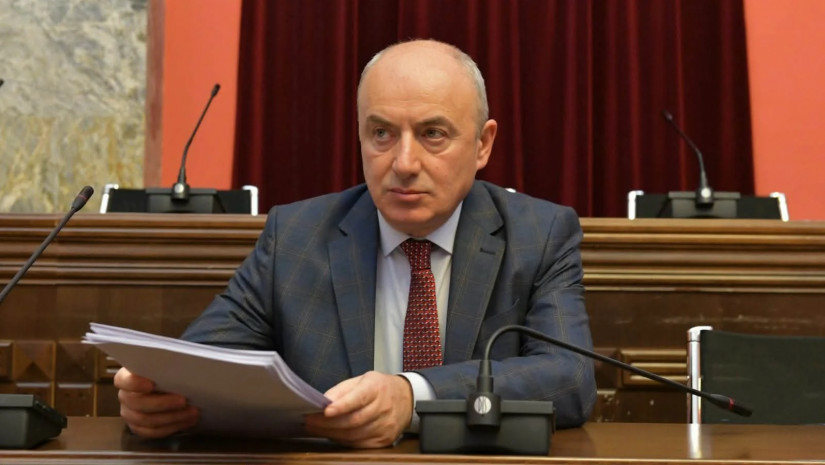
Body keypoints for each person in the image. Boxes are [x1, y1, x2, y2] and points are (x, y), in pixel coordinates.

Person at [115, 39, 596, 448]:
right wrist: (156, 398)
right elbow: (201, 365)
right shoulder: (296, 237)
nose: (404, 163)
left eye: (432, 134)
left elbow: (570, 378)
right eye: (381, 133)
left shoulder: (539, 235)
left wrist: (412, 396)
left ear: (483, 145)